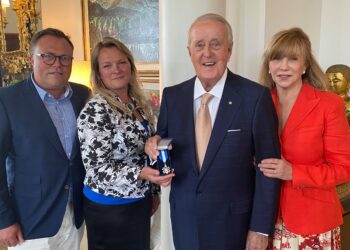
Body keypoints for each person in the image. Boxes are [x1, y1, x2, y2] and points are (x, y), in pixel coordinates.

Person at [145, 13, 281, 250]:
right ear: (189, 52)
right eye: (199, 45)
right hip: (185, 221)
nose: (207, 53)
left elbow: (268, 168)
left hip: (234, 225)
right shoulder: (172, 96)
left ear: (229, 49)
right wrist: (153, 147)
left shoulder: (255, 98)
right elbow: (164, 149)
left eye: (215, 44)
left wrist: (260, 228)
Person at [77, 37, 173, 250]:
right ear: (99, 72)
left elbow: (145, 151)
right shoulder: (96, 110)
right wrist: (141, 174)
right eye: (107, 65)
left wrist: (152, 192)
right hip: (110, 208)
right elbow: (97, 170)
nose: (116, 69)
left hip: (138, 200)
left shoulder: (136, 102)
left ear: (130, 64)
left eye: (121, 62)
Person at [258, 27, 350, 250]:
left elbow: (344, 167)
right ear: (269, 65)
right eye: (277, 58)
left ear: (305, 65)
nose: (284, 66)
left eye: (293, 59)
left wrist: (293, 172)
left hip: (313, 224)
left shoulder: (328, 104)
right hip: (265, 222)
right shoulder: (257, 103)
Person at [0, 28, 90, 249]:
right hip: (30, 219)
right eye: (48, 56)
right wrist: (4, 219)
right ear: (32, 59)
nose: (57, 64)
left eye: (65, 58)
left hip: (75, 213)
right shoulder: (7, 99)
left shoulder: (82, 95)